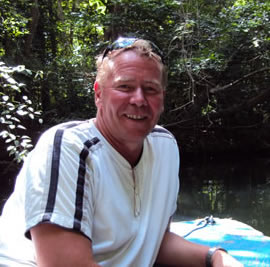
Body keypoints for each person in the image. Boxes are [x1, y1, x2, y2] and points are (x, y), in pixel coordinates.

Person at [0, 37, 243, 267]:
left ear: (162, 98)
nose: (139, 99)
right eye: (125, 86)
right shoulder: (68, 148)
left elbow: (154, 241)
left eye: (150, 89)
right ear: (98, 94)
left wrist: (215, 257)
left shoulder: (165, 146)